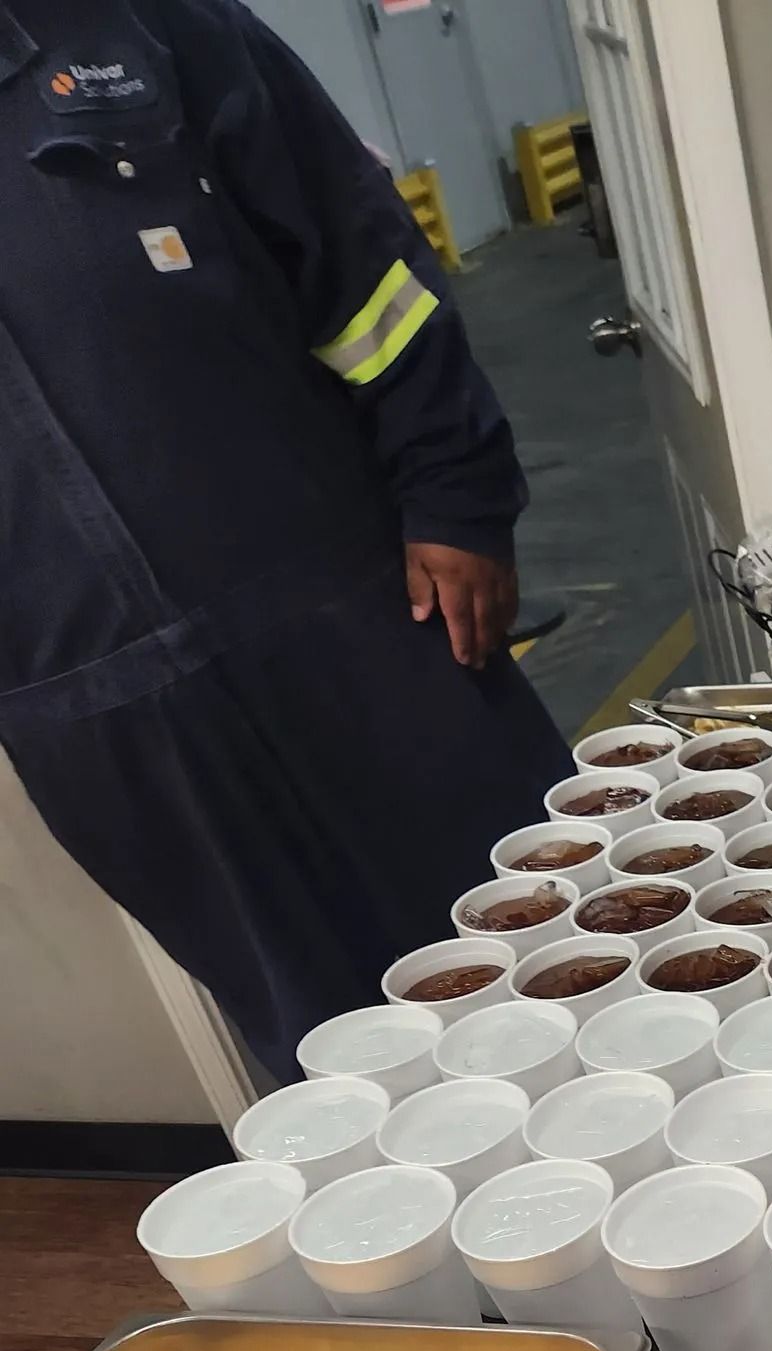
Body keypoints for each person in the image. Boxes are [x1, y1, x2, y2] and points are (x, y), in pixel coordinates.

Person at [0, 0, 575, 1079]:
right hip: (100, 720)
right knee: (332, 1068)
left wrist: (455, 492)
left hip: (360, 613)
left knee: (549, 935)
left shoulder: (145, 28)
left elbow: (363, 268)